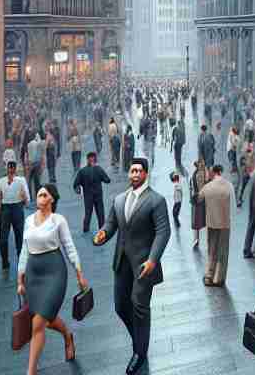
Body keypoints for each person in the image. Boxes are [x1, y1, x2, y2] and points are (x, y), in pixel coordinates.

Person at [93, 158, 171, 375]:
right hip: (122, 263)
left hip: (144, 265)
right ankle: (140, 338)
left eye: (139, 171)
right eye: (132, 170)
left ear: (145, 174)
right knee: (120, 306)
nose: (134, 174)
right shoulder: (119, 199)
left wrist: (153, 259)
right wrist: (102, 234)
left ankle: (139, 352)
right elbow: (111, 224)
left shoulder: (156, 200)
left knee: (139, 306)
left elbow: (163, 232)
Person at [19, 184, 87, 374]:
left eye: (44, 194)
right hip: (33, 273)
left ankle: (31, 371)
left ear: (52, 199)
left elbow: (69, 247)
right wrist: (19, 279)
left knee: (38, 322)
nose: (40, 197)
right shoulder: (29, 220)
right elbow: (24, 250)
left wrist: (79, 273)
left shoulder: (58, 220)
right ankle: (67, 335)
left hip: (54, 272)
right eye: (39, 194)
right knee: (44, 319)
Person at [0, 159, 31, 274]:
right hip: (5, 210)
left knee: (19, 236)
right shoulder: (1, 181)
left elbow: (27, 199)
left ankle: (21, 261)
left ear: (15, 170)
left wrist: (24, 197)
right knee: (3, 239)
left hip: (17, 208)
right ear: (7, 170)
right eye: (9, 169)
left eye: (12, 169)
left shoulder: (21, 181)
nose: (11, 172)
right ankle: (5, 261)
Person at [201, 164, 233, 285]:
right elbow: (233, 205)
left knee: (211, 250)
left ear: (213, 173)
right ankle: (219, 278)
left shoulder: (208, 186)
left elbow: (197, 199)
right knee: (223, 251)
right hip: (225, 223)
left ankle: (209, 275)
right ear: (221, 172)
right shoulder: (228, 186)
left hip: (211, 223)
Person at [72, 152, 111, 233]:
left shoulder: (82, 171)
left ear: (87, 160)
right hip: (98, 196)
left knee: (88, 215)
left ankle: (86, 230)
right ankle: (102, 231)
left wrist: (78, 190)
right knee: (100, 215)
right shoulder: (99, 169)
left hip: (88, 197)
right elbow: (107, 180)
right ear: (95, 159)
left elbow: (75, 185)